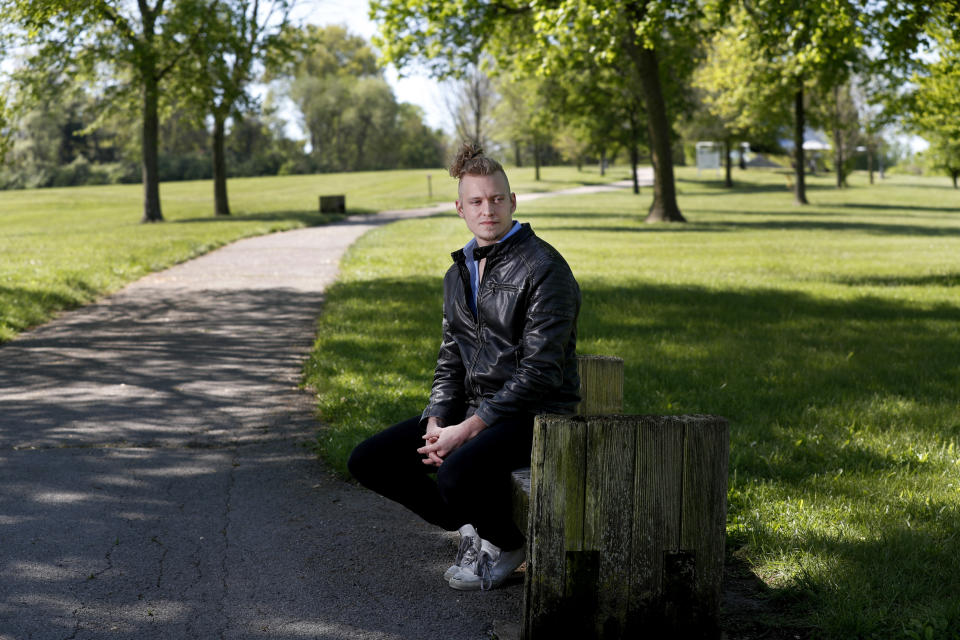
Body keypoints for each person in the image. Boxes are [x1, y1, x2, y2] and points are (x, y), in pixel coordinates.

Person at [347, 142, 581, 591]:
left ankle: (508, 542)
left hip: (535, 413)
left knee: (454, 474)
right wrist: (437, 419)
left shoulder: (544, 268)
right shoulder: (458, 274)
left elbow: (541, 373)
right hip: (477, 410)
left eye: (496, 199)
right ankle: (476, 525)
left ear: (513, 202)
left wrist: (466, 429)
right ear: (460, 208)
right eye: (476, 201)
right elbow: (451, 358)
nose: (487, 210)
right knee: (369, 460)